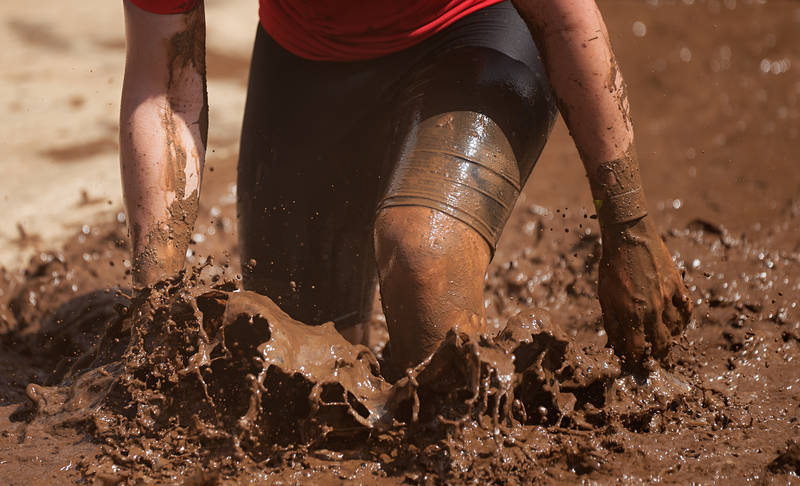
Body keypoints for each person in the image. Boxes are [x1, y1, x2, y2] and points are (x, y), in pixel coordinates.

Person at [118, 0, 693, 372]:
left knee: (423, 259)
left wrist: (629, 228)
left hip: (476, 34)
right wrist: (157, 294)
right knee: (290, 365)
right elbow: (164, 88)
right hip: (306, 58)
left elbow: (565, 20)